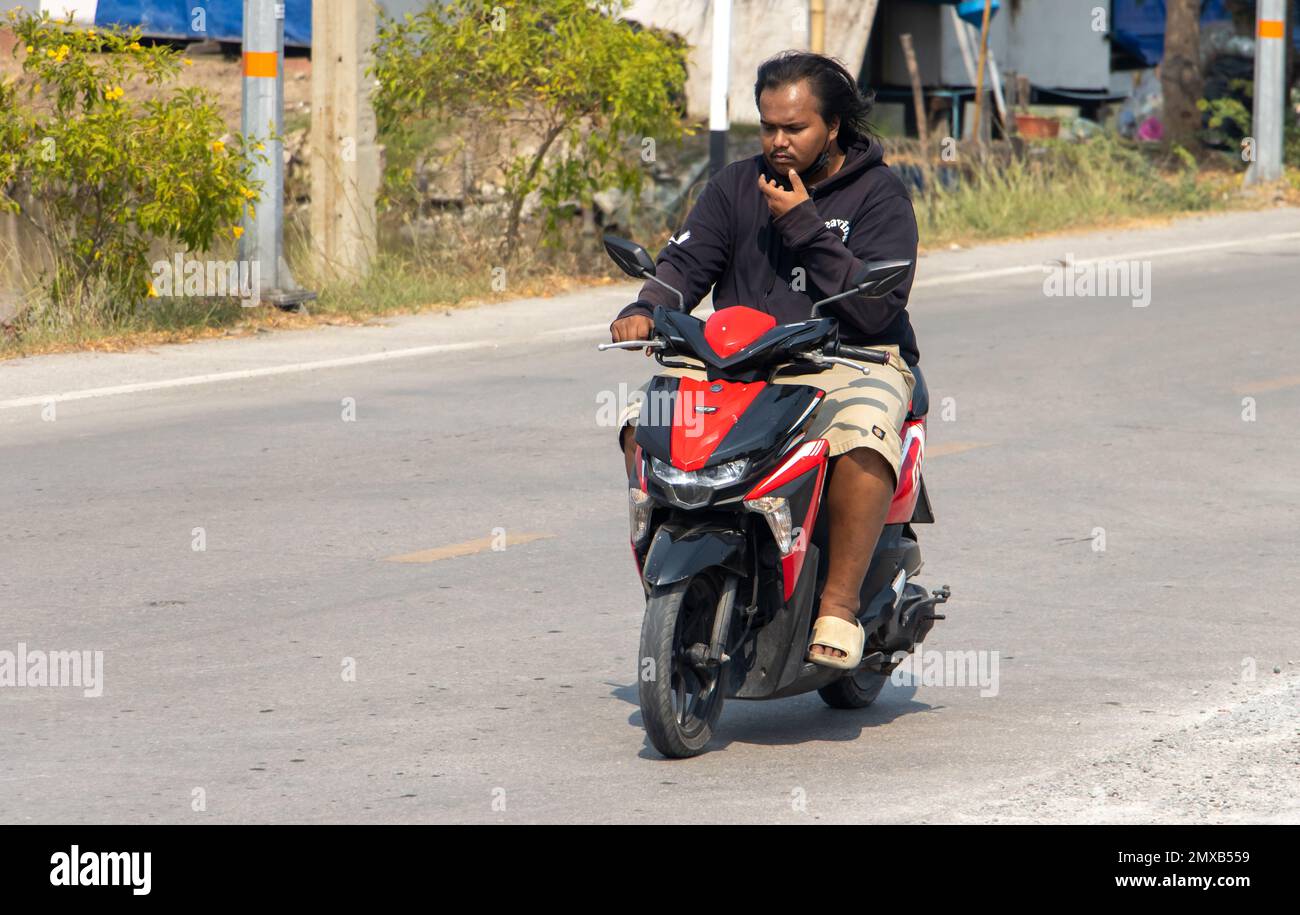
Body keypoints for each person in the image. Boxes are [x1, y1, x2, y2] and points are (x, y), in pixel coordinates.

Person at [610, 51, 921, 670]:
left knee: (862, 433)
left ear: (833, 127)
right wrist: (647, 305)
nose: (778, 142)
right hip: (739, 356)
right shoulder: (732, 186)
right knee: (642, 420)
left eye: (795, 129)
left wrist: (805, 223)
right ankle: (670, 564)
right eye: (768, 127)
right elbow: (685, 266)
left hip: (850, 353)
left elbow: (875, 305)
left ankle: (837, 605)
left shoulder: (880, 194)